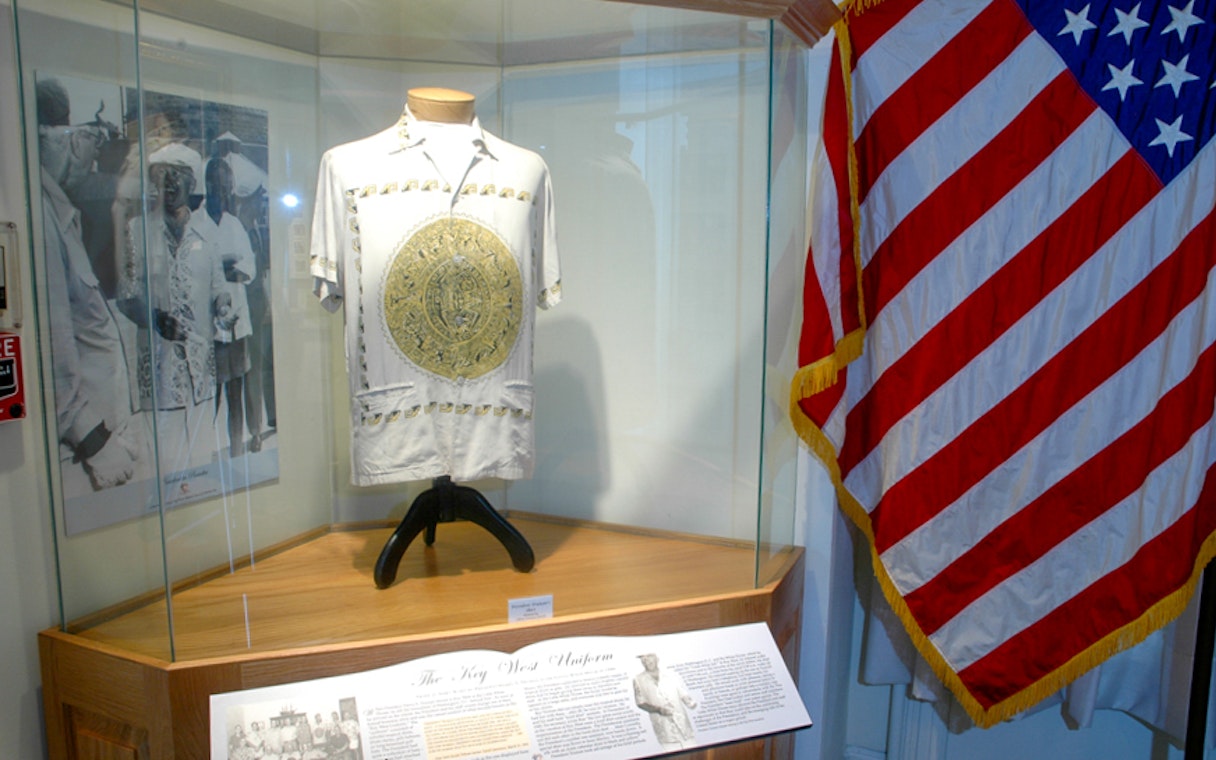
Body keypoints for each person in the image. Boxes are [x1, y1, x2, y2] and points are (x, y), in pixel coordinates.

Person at [37, 78, 142, 493]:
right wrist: (97, 444)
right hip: (87, 452)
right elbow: (54, 348)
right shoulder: (44, 222)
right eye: (87, 139)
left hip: (105, 440)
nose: (93, 153)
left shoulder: (60, 213)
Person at [119, 141, 230, 470]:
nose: (169, 183)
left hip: (201, 373)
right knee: (164, 465)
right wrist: (154, 319)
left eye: (177, 175)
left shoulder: (207, 233)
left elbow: (218, 285)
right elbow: (127, 295)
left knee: (201, 463)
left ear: (191, 183)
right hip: (161, 370)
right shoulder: (137, 231)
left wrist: (223, 305)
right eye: (161, 175)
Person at [202, 156, 260, 456]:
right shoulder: (196, 223)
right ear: (207, 184)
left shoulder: (234, 224)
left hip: (235, 324)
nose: (221, 192)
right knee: (210, 394)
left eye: (226, 187)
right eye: (216, 186)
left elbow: (247, 267)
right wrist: (221, 269)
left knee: (235, 390)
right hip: (206, 329)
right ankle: (207, 451)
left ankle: (236, 448)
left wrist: (228, 270)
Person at [632, 653, 698, 751]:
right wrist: (659, 710)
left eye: (649, 657)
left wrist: (690, 703)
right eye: (643, 659)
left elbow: (681, 692)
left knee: (694, 753)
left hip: (684, 726)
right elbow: (640, 703)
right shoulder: (638, 679)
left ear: (657, 658)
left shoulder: (670, 674)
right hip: (665, 731)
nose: (646, 661)